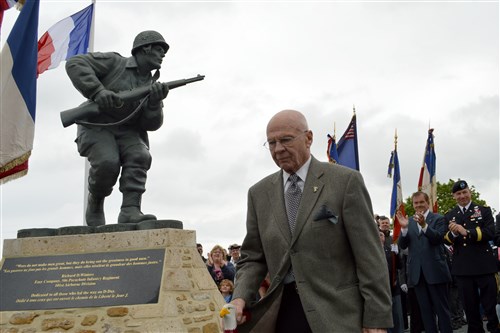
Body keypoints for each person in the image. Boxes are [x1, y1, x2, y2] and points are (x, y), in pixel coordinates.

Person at [230, 110, 392, 332]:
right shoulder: (259, 194)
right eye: (271, 143)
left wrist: (376, 318)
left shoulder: (345, 182)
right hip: (283, 316)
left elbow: (369, 257)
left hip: (338, 315)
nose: (278, 149)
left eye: (285, 140)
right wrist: (239, 298)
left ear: (309, 138)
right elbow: (253, 258)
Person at [65, 30, 170, 226]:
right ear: (144, 49)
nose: (162, 54)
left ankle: (130, 210)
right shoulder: (115, 63)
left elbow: (151, 124)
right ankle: (95, 202)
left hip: (128, 130)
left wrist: (155, 103)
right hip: (96, 125)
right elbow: (75, 63)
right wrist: (98, 91)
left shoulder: (151, 83)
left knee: (140, 155)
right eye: (158, 49)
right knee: (107, 162)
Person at [444, 180, 499, 333]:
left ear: (470, 192)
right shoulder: (450, 215)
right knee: (470, 309)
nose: (462, 196)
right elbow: (444, 238)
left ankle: (494, 328)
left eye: (464, 192)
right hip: (462, 268)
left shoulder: (483, 210)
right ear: (454, 196)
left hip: (484, 266)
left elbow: (490, 232)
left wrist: (466, 232)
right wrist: (453, 233)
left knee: (490, 306)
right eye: (458, 194)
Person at [397, 191, 453, 333]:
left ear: (427, 202)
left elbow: (438, 238)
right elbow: (402, 246)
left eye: (421, 202)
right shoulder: (408, 222)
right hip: (417, 275)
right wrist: (403, 229)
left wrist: (424, 226)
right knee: (426, 314)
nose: (419, 205)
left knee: (442, 312)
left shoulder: (439, 218)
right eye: (416, 203)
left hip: (436, 273)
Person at [380, 231, 404, 333]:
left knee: (397, 315)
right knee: (386, 317)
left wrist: (397, 254)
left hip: (393, 286)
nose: (379, 236)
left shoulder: (390, 250)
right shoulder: (372, 251)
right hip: (381, 289)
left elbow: (399, 265)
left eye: (381, 235)